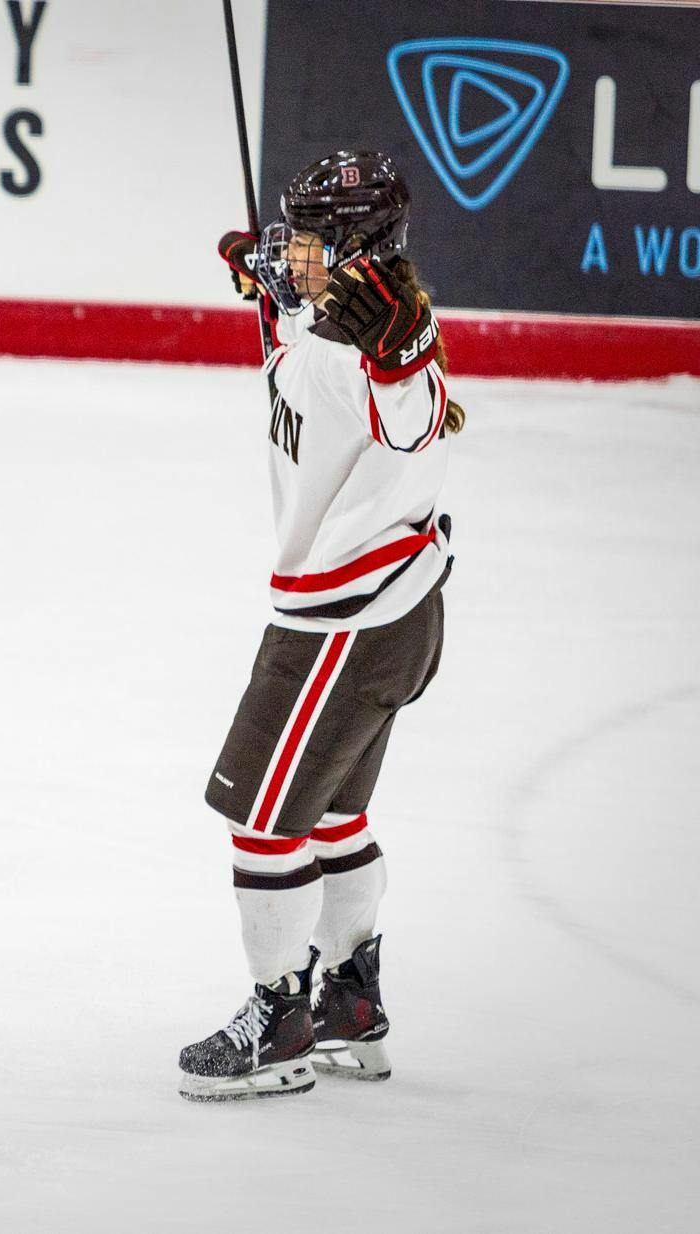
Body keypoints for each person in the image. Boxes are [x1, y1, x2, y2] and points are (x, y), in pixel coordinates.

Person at [180, 150, 463, 1102]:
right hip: (395, 618)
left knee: (262, 825)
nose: (286, 250)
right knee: (335, 815)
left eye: (306, 237)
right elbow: (304, 341)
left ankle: (280, 1021)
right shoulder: (327, 320)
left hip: (343, 621)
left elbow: (412, 410)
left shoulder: (378, 344)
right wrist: (269, 287)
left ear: (353, 248)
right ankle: (350, 1001)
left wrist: (401, 348)